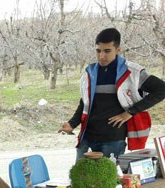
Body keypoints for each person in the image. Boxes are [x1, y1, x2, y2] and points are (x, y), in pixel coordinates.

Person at [59, 28, 165, 160]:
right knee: (81, 179)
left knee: (111, 180)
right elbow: (85, 102)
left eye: (107, 51)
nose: (101, 56)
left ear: (118, 50)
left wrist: (130, 112)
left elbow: (161, 89)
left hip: (113, 140)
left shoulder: (133, 72)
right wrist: (72, 124)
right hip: (87, 138)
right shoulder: (89, 72)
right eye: (98, 51)